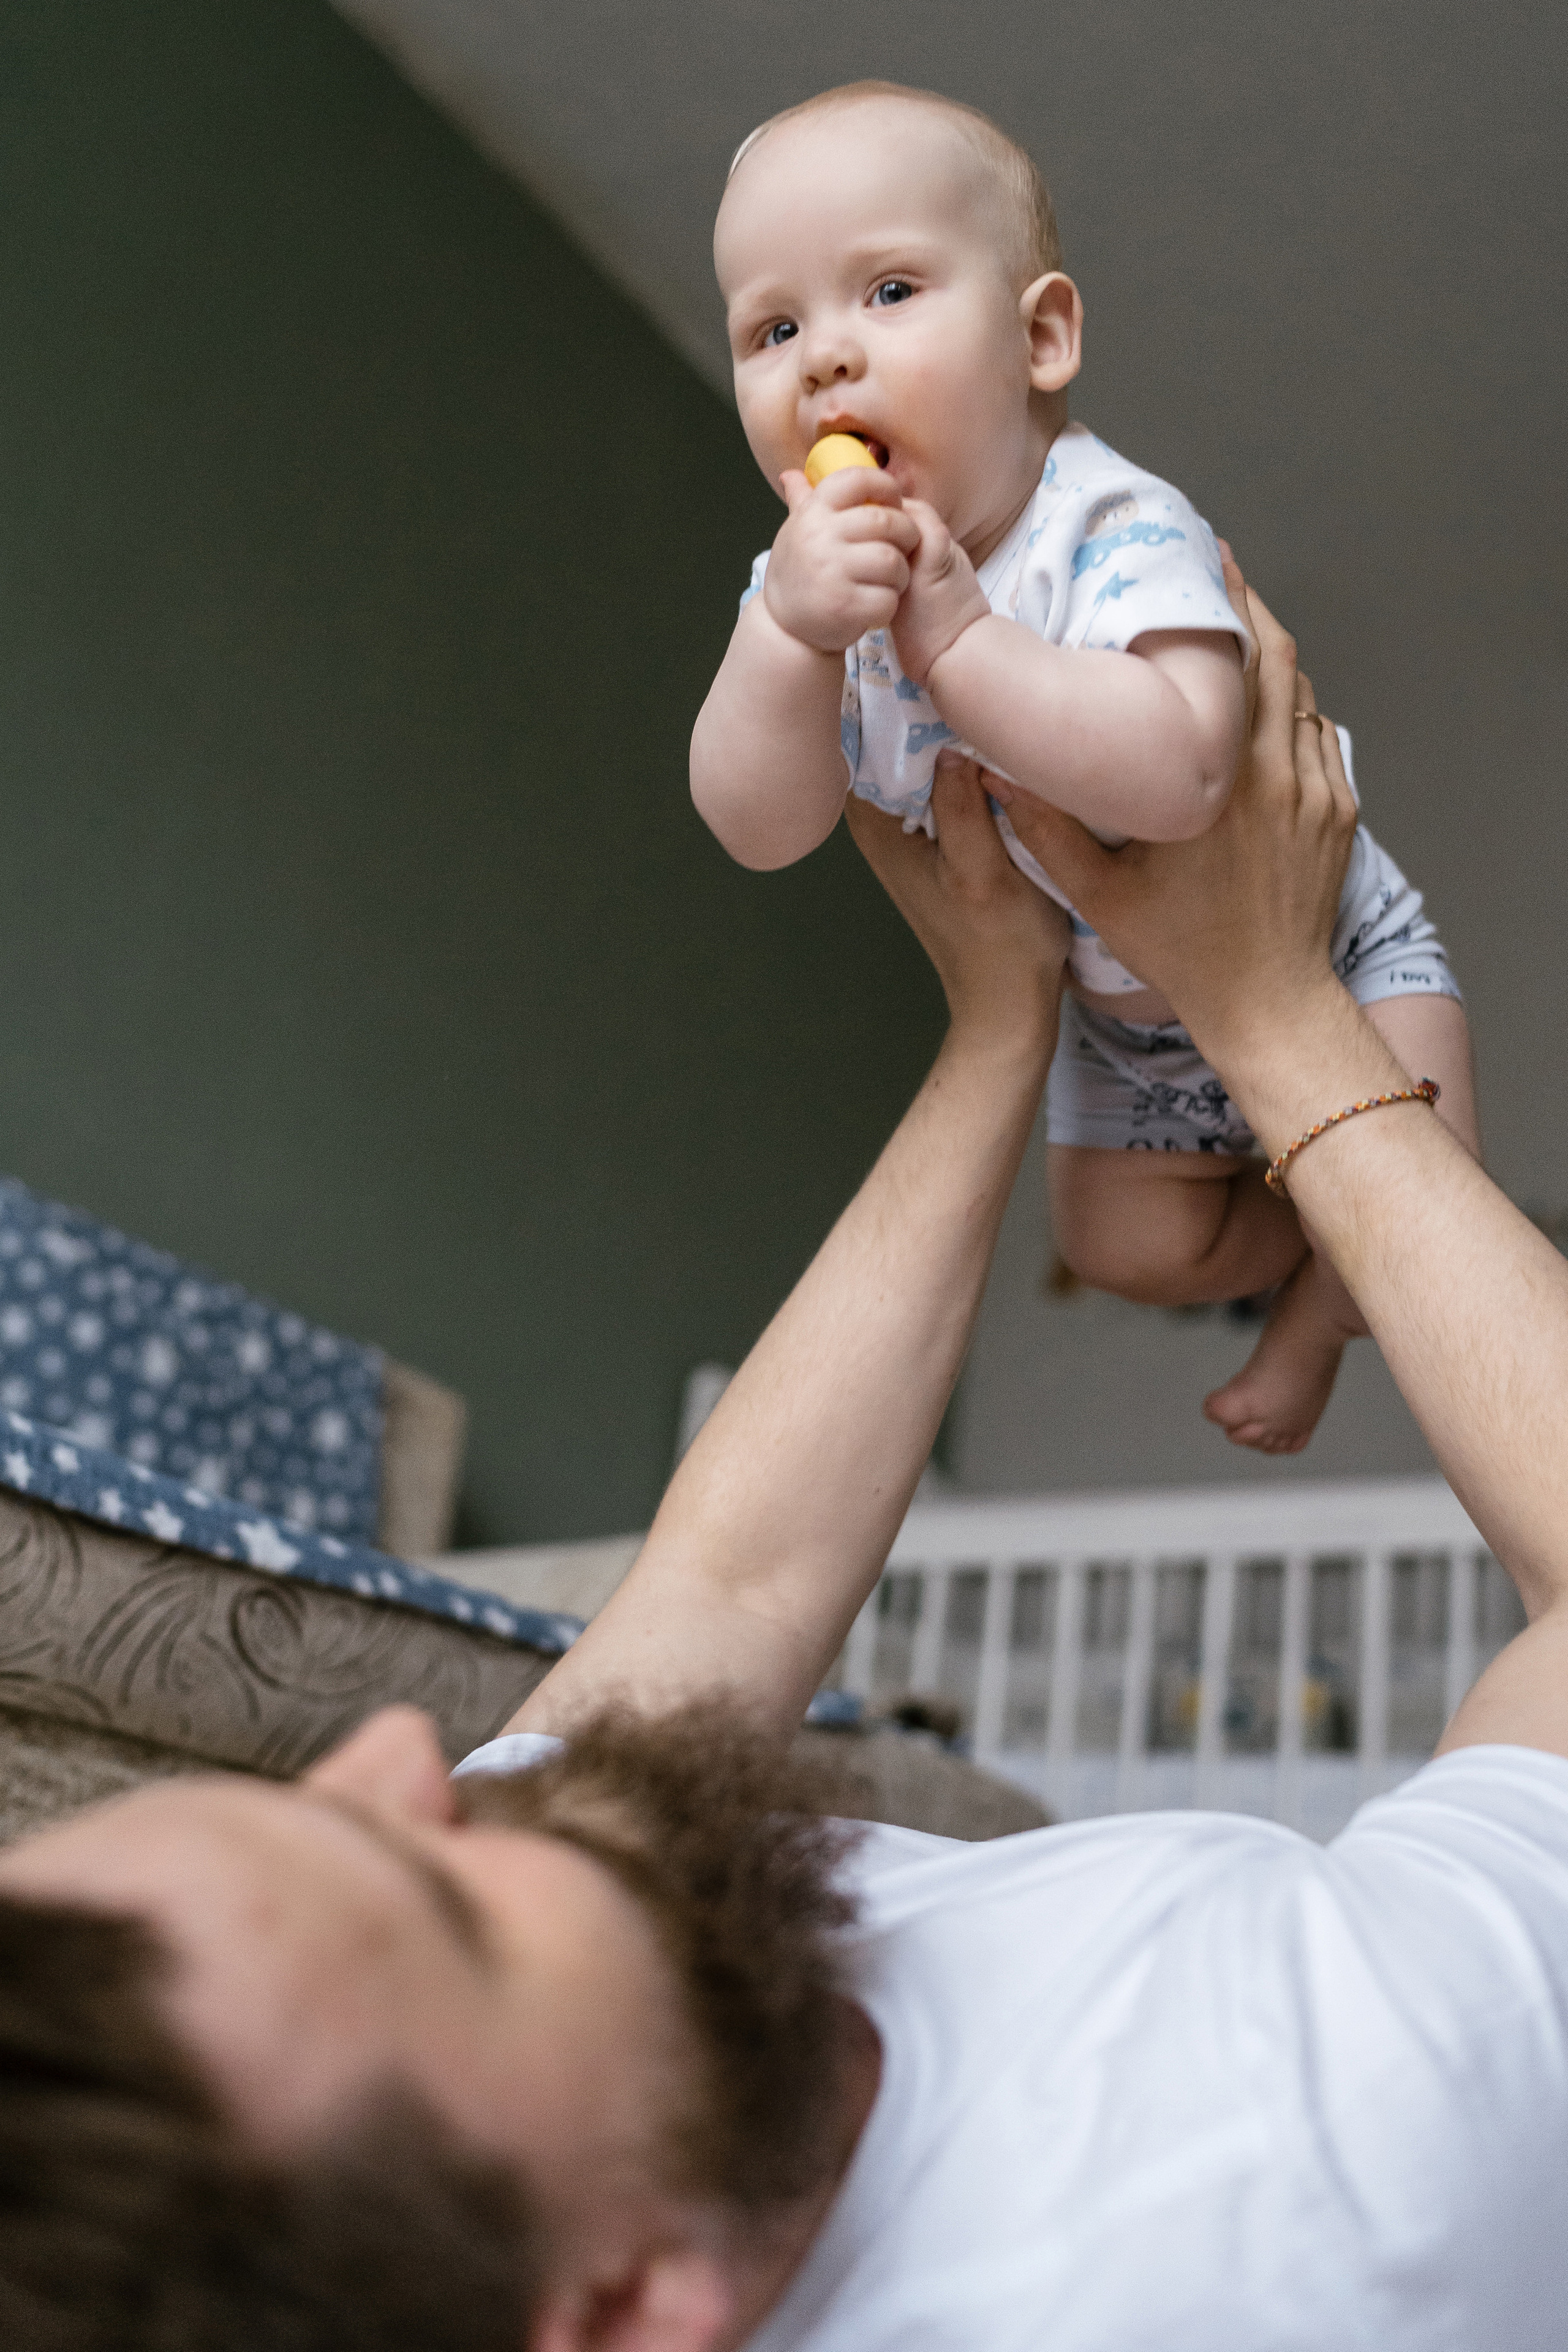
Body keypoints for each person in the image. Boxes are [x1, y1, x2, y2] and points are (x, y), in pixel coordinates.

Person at [6, 570, 1568, 2351]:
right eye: (442, 1904)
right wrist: (1273, 1006)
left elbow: (726, 1589)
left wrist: (999, 1022)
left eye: (313, 1814)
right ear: (623, 2305)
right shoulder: (1317, 2179)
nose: (393, 1756)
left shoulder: (562, 2035)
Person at [689, 80, 1478, 1457]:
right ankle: (1293, 1255)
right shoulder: (806, 600)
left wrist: (962, 641)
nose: (821, 358)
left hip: (1329, 950)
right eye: (772, 326)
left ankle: (1317, 1322)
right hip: (1126, 1022)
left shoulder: (1105, 524)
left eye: (884, 291)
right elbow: (756, 829)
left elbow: (1176, 775)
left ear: (1039, 337)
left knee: (1417, 1216)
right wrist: (782, 637)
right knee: (1120, 1246)